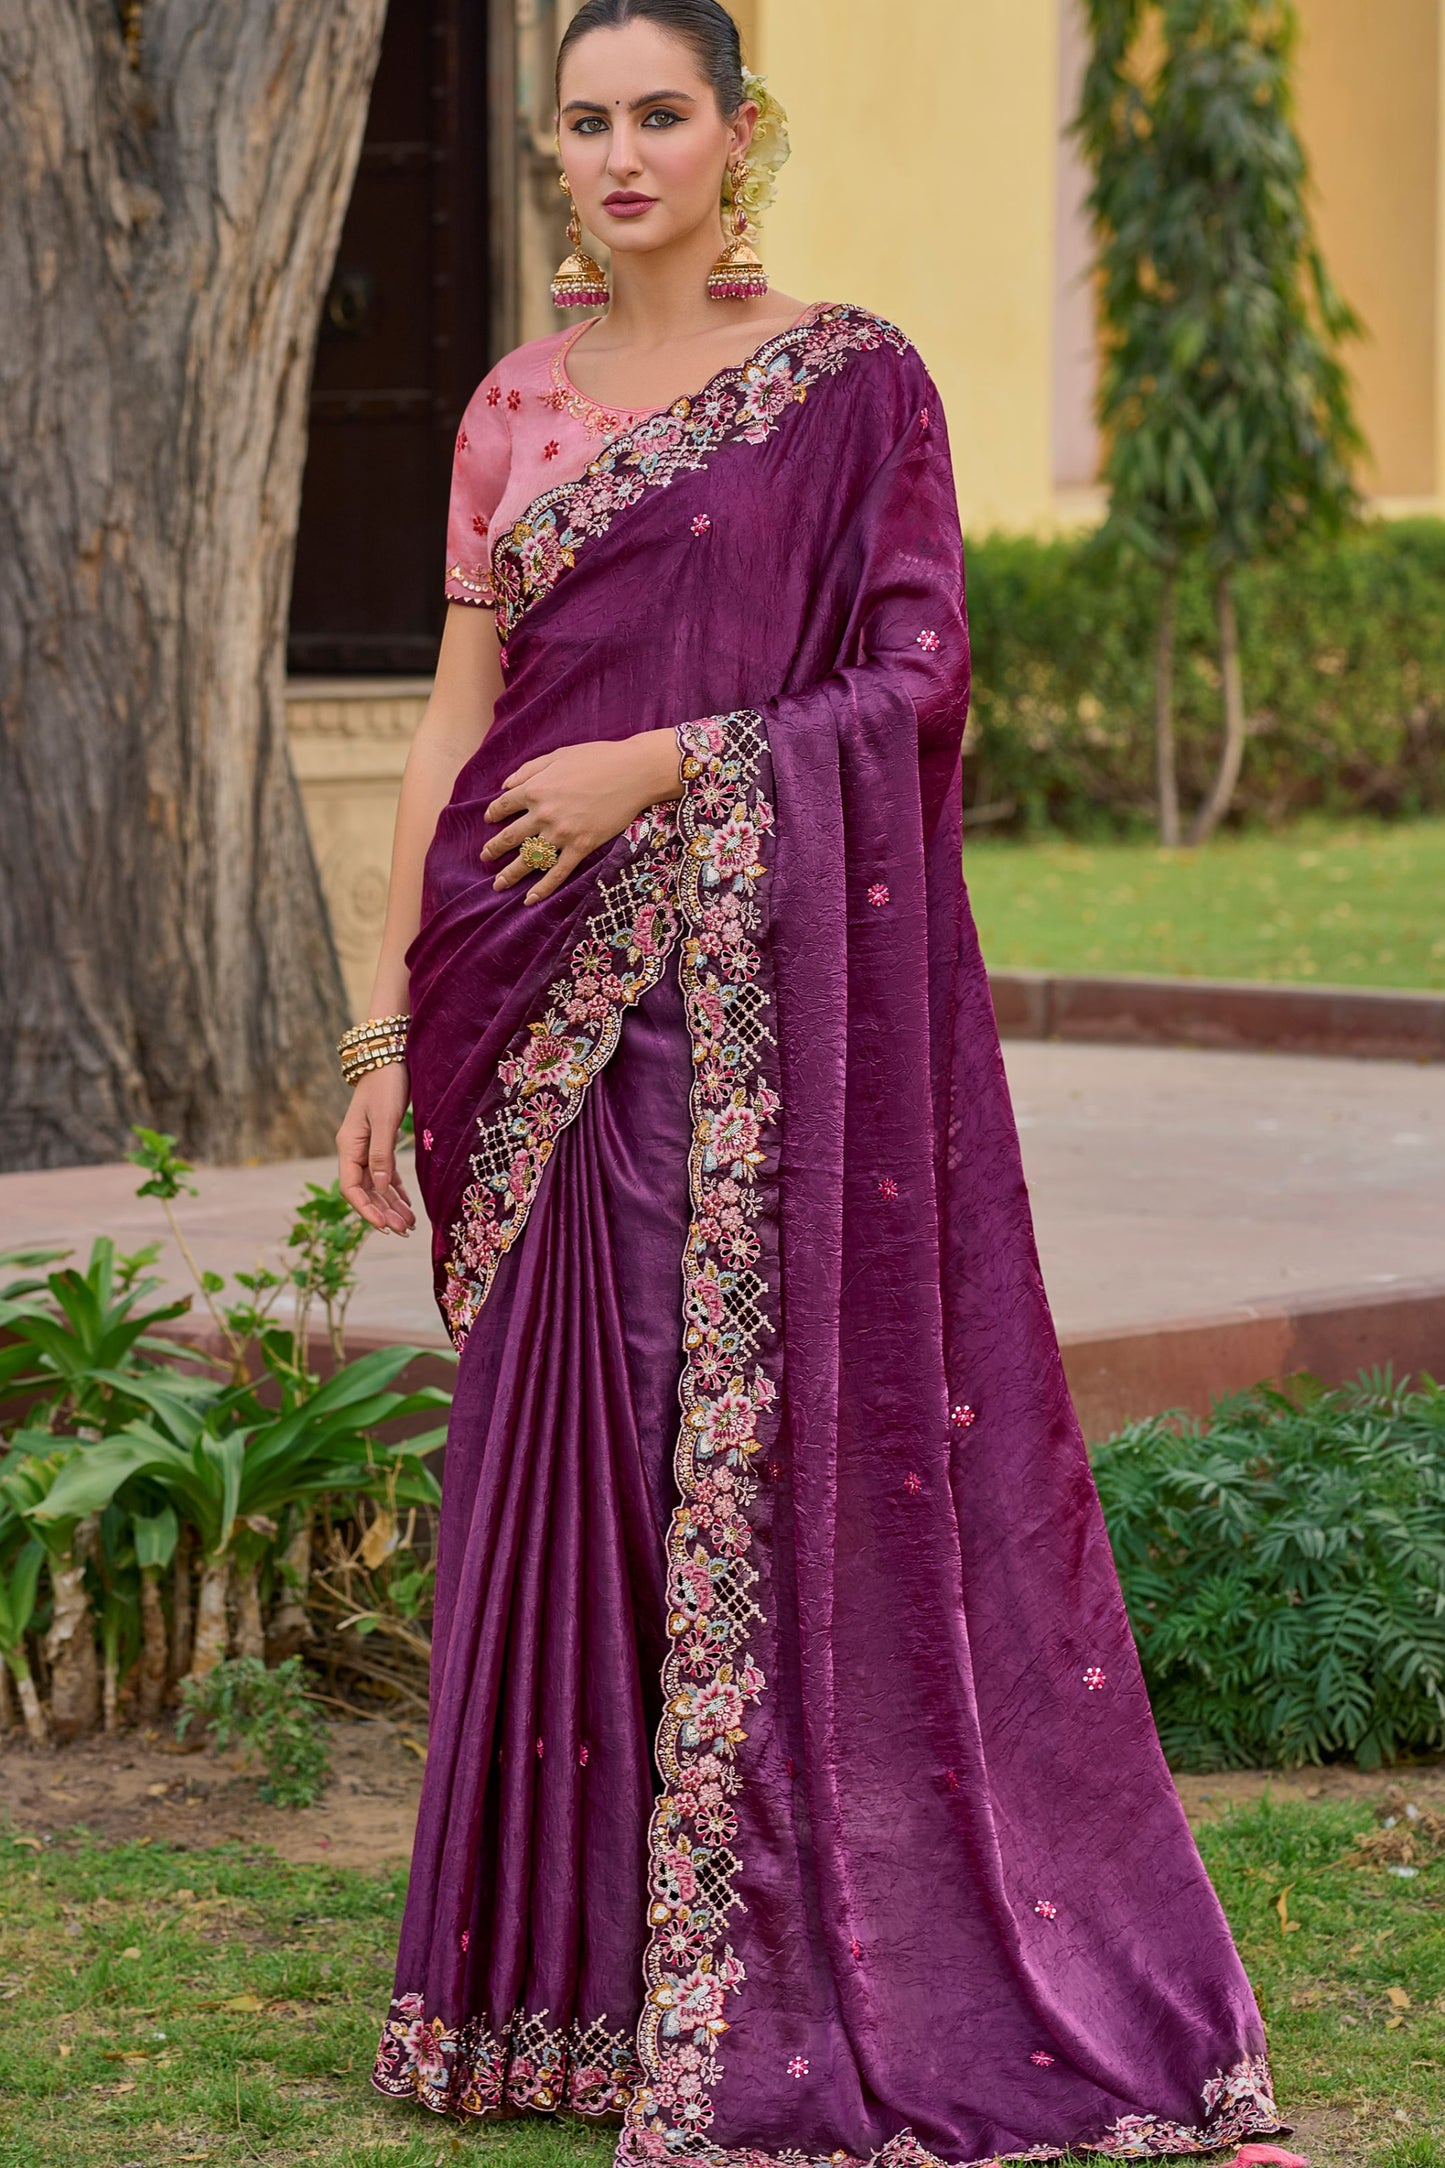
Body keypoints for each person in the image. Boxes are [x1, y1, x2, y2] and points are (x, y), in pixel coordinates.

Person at [343, 2, 1288, 2159]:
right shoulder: (511, 405)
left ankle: (752, 1952)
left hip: (741, 1004)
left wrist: (667, 763)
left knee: (720, 1444)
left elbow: (915, 680)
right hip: (518, 989)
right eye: (584, 121)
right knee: (569, 1461)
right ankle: (559, 1991)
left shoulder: (852, 386)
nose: (619, 154)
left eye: (659, 114)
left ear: (738, 132)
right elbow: (447, 726)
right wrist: (384, 1027)